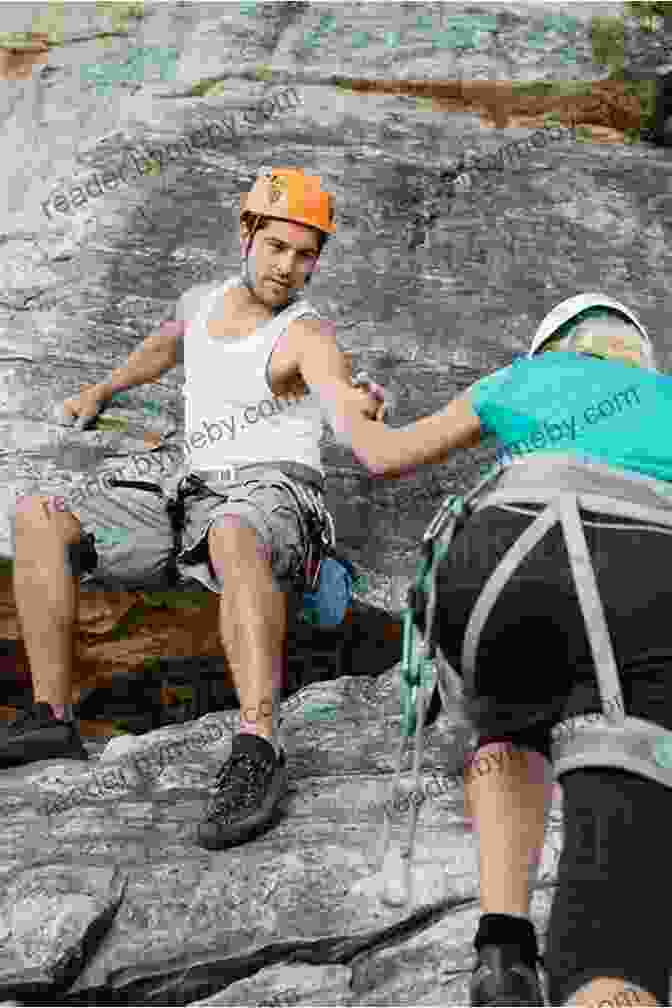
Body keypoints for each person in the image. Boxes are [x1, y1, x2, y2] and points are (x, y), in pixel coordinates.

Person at [3, 166, 385, 851]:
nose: (289, 267)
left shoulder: (307, 335)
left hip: (271, 492)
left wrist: (363, 406)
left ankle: (257, 749)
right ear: (247, 233)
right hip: (187, 489)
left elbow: (339, 390)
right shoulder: (201, 301)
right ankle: (51, 718)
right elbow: (163, 346)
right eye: (277, 248)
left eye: (306, 255)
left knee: (236, 530)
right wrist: (101, 390)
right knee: (38, 517)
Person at [331, 293, 671, 1006]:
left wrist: (353, 406)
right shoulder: (665, 397)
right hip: (645, 566)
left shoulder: (518, 378)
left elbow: (380, 455)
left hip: (499, 563)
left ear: (555, 347)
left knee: (507, 715)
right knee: (615, 930)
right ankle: (607, 964)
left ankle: (502, 947)